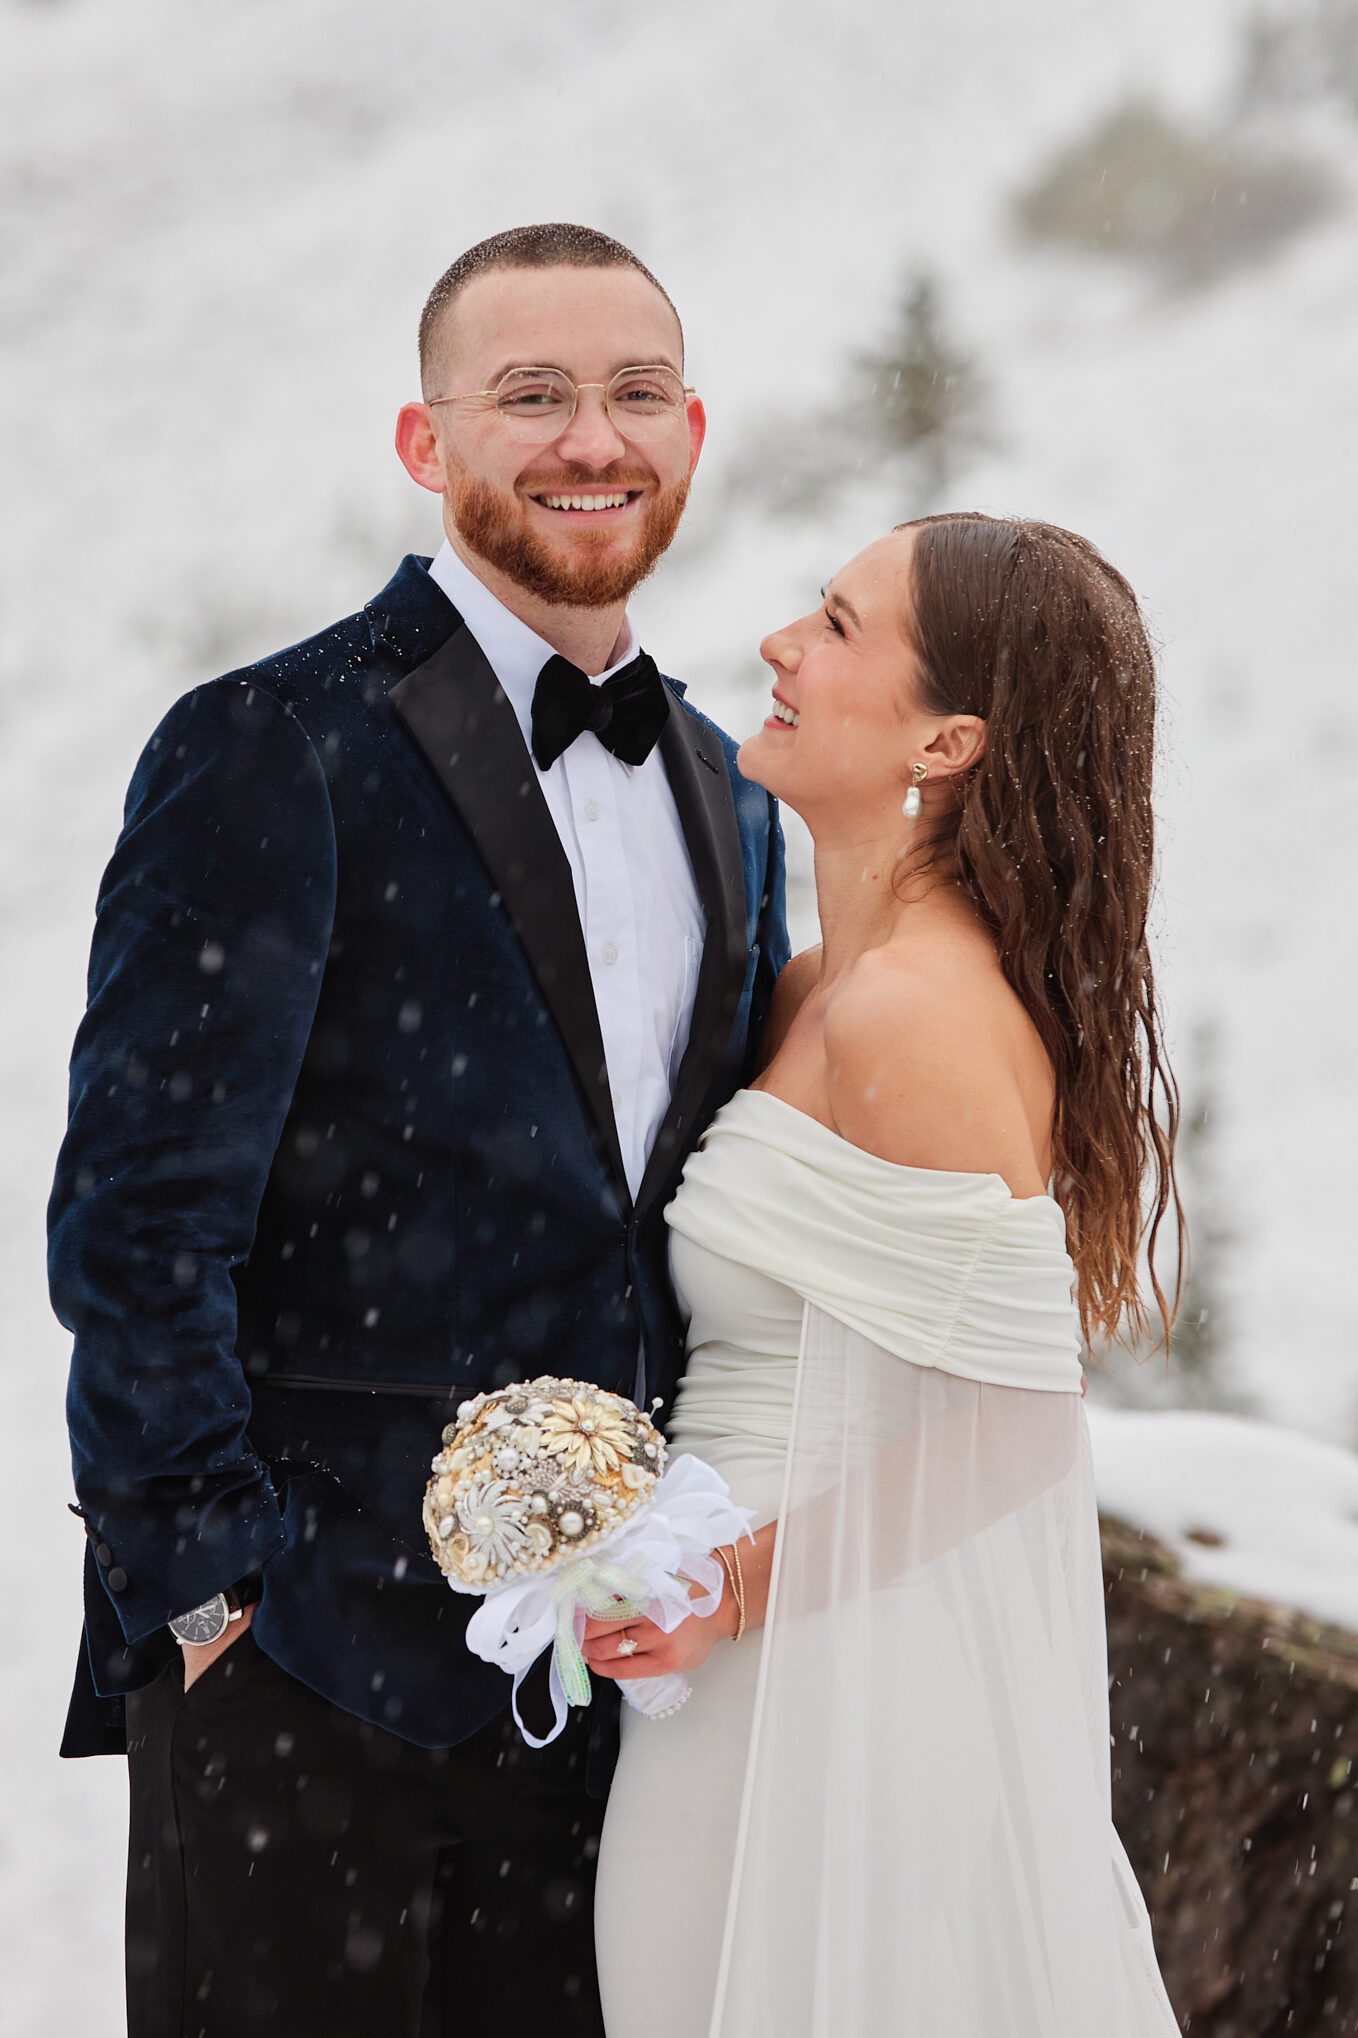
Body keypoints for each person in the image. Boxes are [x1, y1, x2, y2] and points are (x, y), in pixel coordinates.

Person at [48, 222, 788, 2037]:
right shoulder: (269, 743)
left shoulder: (727, 786)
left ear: (691, 431)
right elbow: (135, 1220)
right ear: (424, 439)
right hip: (310, 1672)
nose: (588, 439)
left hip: (619, 1705)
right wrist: (219, 1595)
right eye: (528, 394)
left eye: (631, 394)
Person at [588, 513, 1184, 2035]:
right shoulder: (814, 984)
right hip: (740, 1667)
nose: (782, 645)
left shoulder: (910, 1014)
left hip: (831, 1687)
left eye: (839, 626)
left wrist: (728, 1584)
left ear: (950, 737)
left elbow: (1014, 1426)